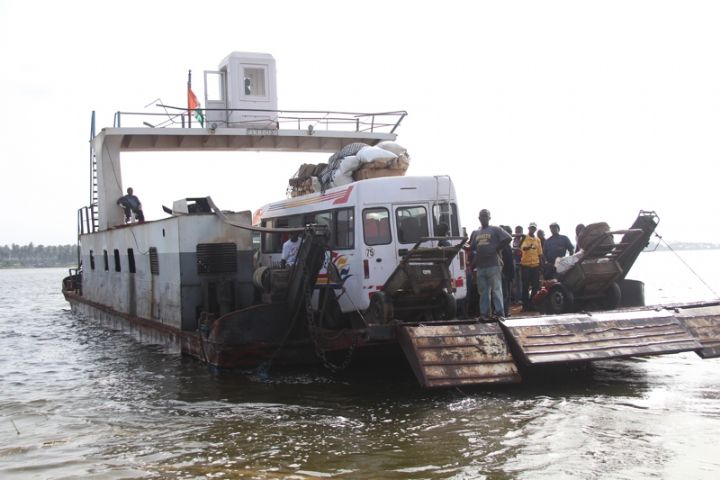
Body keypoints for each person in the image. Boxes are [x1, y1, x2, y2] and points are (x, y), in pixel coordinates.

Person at [468, 209, 512, 320]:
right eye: (482, 216)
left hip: (493, 264)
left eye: (486, 216)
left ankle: (499, 313)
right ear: (479, 218)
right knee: (483, 291)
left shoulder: (495, 229)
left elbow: (508, 238)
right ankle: (484, 314)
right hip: (481, 266)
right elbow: (472, 247)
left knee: (496, 289)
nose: (483, 218)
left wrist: (497, 248)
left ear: (489, 218)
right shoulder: (476, 233)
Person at [520, 222, 543, 312]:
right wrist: (528, 247)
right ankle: (525, 306)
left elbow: (540, 253)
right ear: (528, 228)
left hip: (535, 266)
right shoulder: (524, 238)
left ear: (535, 229)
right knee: (525, 287)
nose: (532, 229)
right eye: (531, 228)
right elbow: (523, 248)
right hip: (526, 266)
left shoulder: (538, 240)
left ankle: (533, 305)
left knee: (535, 287)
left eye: (534, 228)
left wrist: (541, 265)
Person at [499, 225, 515, 317]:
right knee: (505, 294)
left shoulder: (507, 246)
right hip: (504, 273)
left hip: (508, 274)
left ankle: (505, 311)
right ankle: (504, 312)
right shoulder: (503, 246)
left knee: (507, 294)